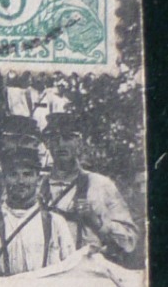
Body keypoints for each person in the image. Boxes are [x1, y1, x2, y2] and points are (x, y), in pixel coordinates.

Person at [42, 112, 138, 263]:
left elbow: (129, 240)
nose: (61, 144)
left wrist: (95, 220)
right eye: (54, 139)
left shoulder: (101, 185)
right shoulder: (37, 187)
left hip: (86, 274)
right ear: (47, 144)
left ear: (79, 143)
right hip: (45, 273)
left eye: (67, 138)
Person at [0, 148, 76, 276]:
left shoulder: (55, 223)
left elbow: (71, 272)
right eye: (13, 174)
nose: (21, 181)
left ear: (39, 179)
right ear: (3, 179)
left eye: (27, 174)